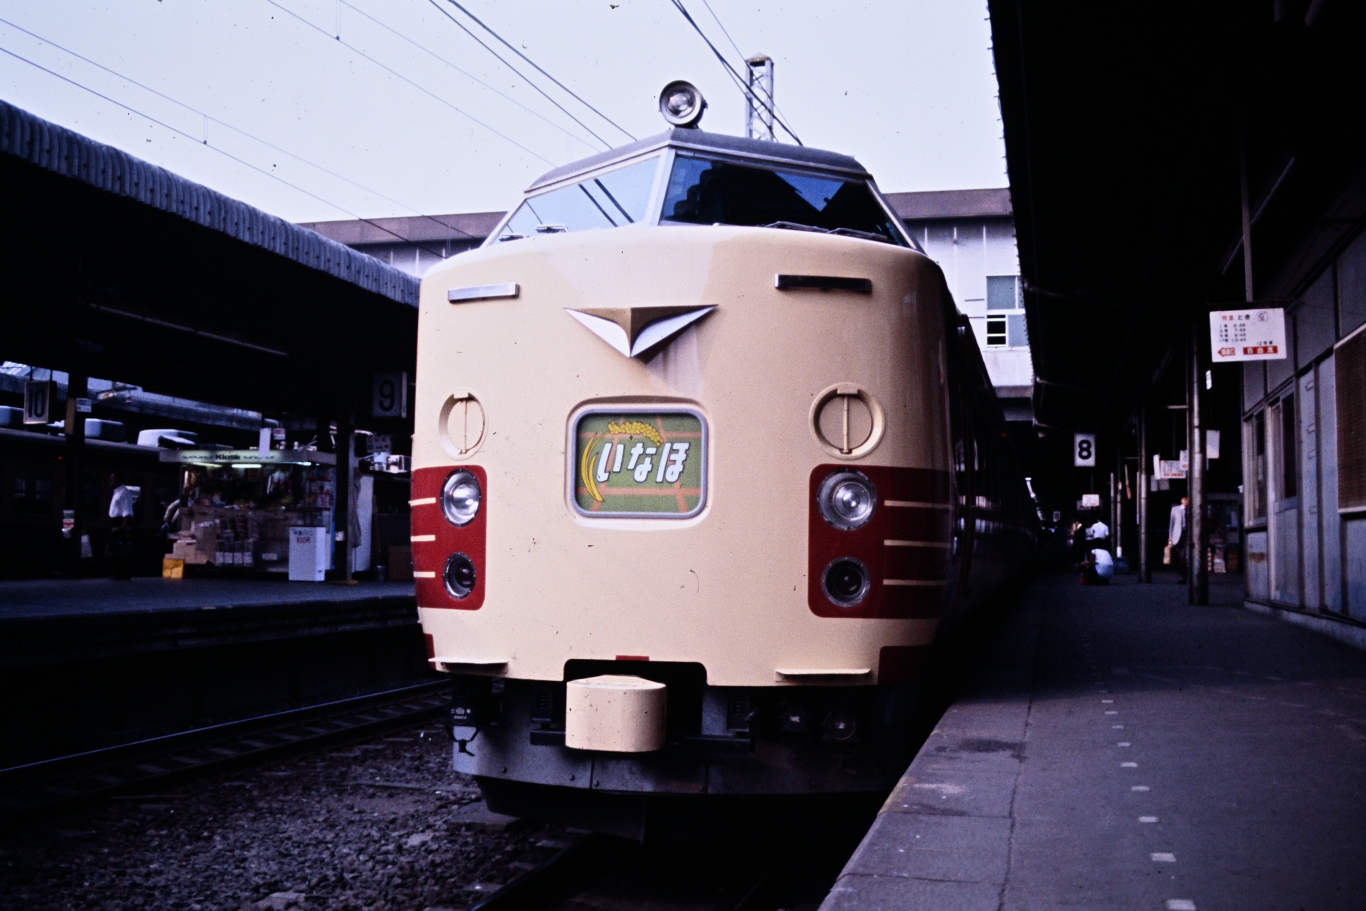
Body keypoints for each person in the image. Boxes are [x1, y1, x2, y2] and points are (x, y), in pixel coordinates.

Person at [107, 471, 139, 580]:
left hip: (120, 522)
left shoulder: (124, 492)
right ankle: (117, 572)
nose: (110, 481)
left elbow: (126, 511)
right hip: (114, 521)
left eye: (113, 478)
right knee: (114, 549)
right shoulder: (116, 491)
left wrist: (122, 527)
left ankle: (123, 573)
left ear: (119, 479)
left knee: (121, 549)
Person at [1168, 495, 1188, 584]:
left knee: (1185, 556)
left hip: (1187, 534)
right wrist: (1170, 537)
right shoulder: (1175, 509)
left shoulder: (1191, 510)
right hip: (1177, 535)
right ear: (1182, 500)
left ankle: (1184, 576)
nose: (1187, 501)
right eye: (1185, 499)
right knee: (1180, 557)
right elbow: (1171, 524)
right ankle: (1181, 575)